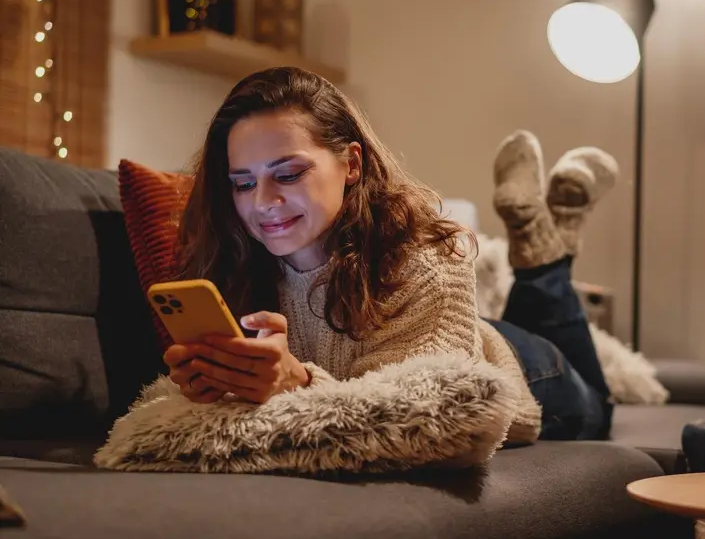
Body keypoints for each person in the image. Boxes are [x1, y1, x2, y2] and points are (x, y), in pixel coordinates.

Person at [163, 66, 618, 445]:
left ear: (352, 164)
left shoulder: (427, 258)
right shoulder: (234, 259)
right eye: (242, 182)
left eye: (288, 173)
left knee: (599, 406)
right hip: (451, 331)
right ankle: (546, 232)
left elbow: (421, 417)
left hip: (521, 370)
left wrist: (297, 384)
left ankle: (541, 250)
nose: (261, 201)